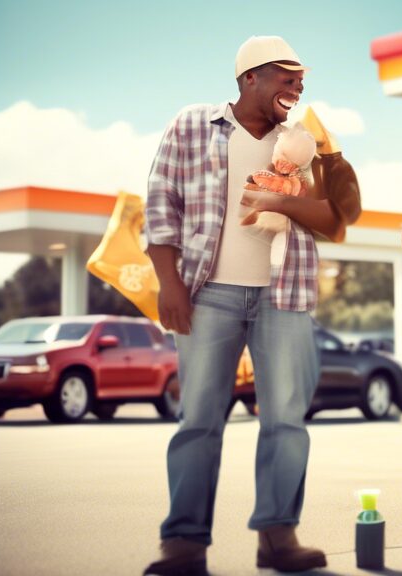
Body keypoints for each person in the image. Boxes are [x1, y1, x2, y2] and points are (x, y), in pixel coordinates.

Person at [143, 36, 361, 575]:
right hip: (207, 292)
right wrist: (168, 284)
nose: (298, 88)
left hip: (284, 294)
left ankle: (278, 538)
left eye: (300, 80)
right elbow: (159, 203)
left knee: (286, 419)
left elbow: (337, 219)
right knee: (199, 418)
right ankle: (184, 544)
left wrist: (305, 182)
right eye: (286, 79)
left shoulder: (302, 142)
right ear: (250, 79)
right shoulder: (193, 124)